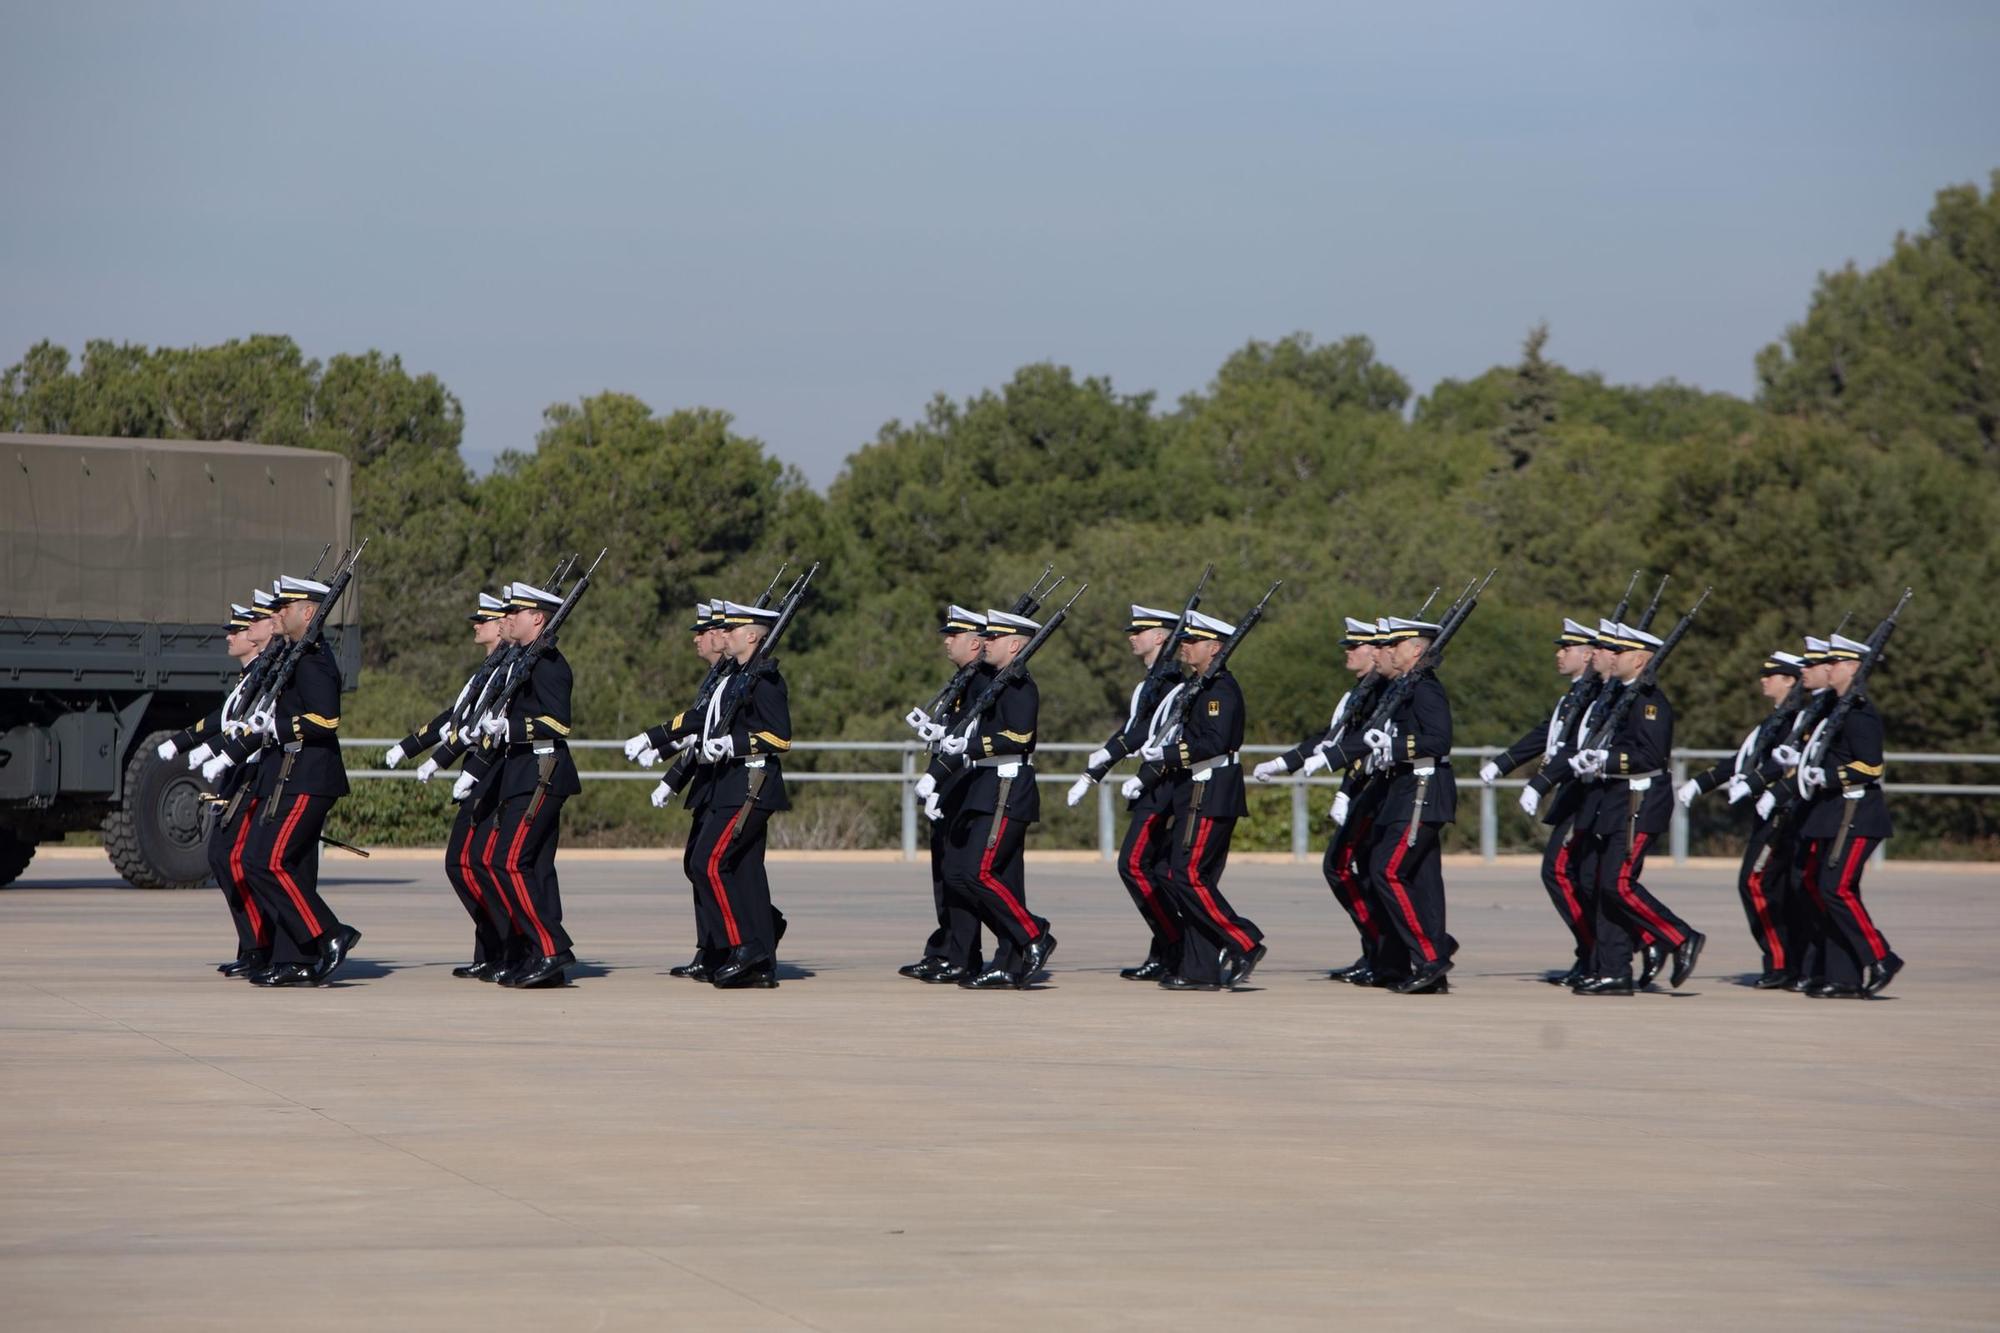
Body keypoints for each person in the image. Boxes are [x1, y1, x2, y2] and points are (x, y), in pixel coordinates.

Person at [208, 573, 362, 988]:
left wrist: (275, 725)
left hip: (308, 775)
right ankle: (292, 955)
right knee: (270, 862)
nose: (277, 613)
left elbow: (325, 719)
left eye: (285, 608)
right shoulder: (292, 655)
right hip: (284, 775)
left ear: (309, 613)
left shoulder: (313, 659)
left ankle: (329, 934)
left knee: (267, 860)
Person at [1557, 622, 1703, 996]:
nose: (1611, 656)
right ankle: (1613, 969)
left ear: (1640, 660)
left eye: (1620, 652)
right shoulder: (1617, 696)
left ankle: (1679, 935)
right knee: (1597, 884)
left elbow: (1649, 755)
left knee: (1617, 883)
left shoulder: (1649, 701)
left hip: (1640, 801)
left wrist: (1605, 760)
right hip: (1613, 802)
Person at [1324, 616, 1459, 994]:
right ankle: (1426, 962)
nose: (1385, 651)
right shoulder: (1402, 688)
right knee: (1423, 883)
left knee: (1387, 870)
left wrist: (1395, 747)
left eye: (1394, 644)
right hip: (1405, 789)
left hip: (1422, 791)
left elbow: (1439, 740)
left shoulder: (1425, 689)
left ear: (1416, 649)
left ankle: (1431, 957)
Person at [388, 592, 514, 978]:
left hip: (494, 774)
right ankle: (491, 947)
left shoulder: (509, 671)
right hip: (478, 774)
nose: (477, 625)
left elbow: (488, 731)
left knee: (479, 864)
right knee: (461, 864)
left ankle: (506, 949)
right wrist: (413, 749)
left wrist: (461, 768)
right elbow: (456, 719)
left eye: (485, 620)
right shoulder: (487, 670)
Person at [1252, 616, 1385, 980]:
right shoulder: (1357, 694)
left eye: (1355, 646)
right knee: (1356, 870)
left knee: (1355, 869)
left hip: (1372, 790)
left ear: (1375, 652)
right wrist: (1284, 763)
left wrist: (1344, 791)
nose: (1348, 653)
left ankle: (1385, 949)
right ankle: (1376, 949)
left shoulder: (1380, 696)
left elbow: (1361, 748)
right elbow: (1329, 739)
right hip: (1361, 791)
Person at [1065, 604, 1189, 981]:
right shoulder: (1150, 682)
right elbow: (1132, 731)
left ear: (1161, 637)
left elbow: (1143, 734)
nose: (1132, 637)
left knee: (1134, 864)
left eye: (1141, 631)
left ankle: (1177, 943)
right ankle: (1166, 949)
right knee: (1152, 869)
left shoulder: (1172, 683)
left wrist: (1105, 761)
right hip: (1155, 782)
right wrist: (1094, 770)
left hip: (1167, 784)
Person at [935, 609, 1056, 990]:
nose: (986, 642)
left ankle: (1033, 934)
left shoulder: (1020, 686)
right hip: (985, 785)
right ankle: (1011, 956)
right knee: (961, 873)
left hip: (1007, 785)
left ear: (1015, 645)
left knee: (978, 872)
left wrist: (969, 745)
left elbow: (1021, 736)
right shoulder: (997, 683)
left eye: (995, 638)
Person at [1145, 609, 1264, 991]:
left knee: (1189, 875)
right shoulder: (1200, 685)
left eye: (1193, 641)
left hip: (1210, 790)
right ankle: (1200, 969)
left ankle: (1243, 940)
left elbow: (1215, 742)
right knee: (1180, 875)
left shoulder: (1220, 690)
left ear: (1214, 648)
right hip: (1193, 789)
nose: (1185, 646)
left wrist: (1168, 754)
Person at [160, 597, 278, 975]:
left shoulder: (267, 674)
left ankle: (260, 945)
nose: (230, 636)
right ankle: (251, 945)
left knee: (234, 859)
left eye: (238, 629)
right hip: (235, 773)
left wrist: (217, 754)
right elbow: (225, 720)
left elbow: (252, 727)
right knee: (222, 859)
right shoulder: (248, 677)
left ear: (257, 636)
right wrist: (186, 744)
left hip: (250, 774)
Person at [1675, 649, 1806, 988]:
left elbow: (1782, 765)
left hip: (1782, 815)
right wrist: (1700, 784)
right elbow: (1740, 760)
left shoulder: (1796, 721)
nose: (1764, 679)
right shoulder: (1776, 720)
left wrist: (1753, 783)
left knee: (1756, 883)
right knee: (1769, 887)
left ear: (1791, 680)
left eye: (1772, 674)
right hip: (1767, 814)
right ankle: (1785, 962)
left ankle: (1782, 963)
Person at [1481, 617, 1600, 985]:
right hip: (1571, 794)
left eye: (1567, 648)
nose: (1559, 654)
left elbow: (1573, 748)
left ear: (1589, 654)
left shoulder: (1594, 695)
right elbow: (1544, 736)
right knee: (1574, 876)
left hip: (1583, 794)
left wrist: (1540, 782)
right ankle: (1592, 953)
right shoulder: (1574, 695)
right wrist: (1504, 763)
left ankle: (1602, 949)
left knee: (1562, 872)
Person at [682, 599, 793, 988]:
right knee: (743, 873)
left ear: (751, 636)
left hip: (751, 786)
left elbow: (780, 736)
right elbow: (706, 719)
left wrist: (734, 743)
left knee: (709, 863)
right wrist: (660, 738)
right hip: (731, 784)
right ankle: (757, 956)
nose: (721, 635)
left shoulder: (765, 678)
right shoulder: (738, 676)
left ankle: (745, 947)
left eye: (730, 630)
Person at [477, 580, 581, 989]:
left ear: (537, 618)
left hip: (542, 774)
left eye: (515, 613)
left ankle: (551, 947)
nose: (507, 619)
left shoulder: (550, 664)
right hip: (520, 774)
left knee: (510, 862)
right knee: (530, 868)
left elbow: (559, 722)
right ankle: (537, 952)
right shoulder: (522, 661)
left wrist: (511, 727)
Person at [1789, 631, 1902, 998]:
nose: (1828, 666)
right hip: (1834, 813)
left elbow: (1871, 766)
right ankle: (1844, 976)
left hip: (1857, 813)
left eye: (1835, 662)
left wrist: (1828, 775)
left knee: (1835, 889)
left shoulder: (1860, 711)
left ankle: (1881, 955)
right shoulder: (1834, 709)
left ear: (1853, 667)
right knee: (1828, 891)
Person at [901, 604, 993, 983]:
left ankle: (963, 955)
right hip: (947, 783)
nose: (947, 641)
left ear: (975, 644)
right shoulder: (962, 681)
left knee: (957, 874)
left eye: (954, 636)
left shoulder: (982, 684)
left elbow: (971, 741)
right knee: (943, 874)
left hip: (963, 783)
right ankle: (946, 949)